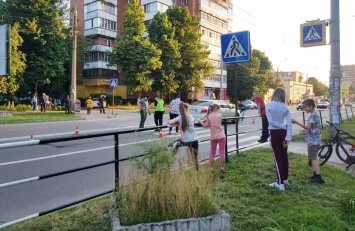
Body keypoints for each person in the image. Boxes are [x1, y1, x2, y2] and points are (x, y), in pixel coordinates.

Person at [291, 99, 325, 184]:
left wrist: (296, 122)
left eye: (305, 107)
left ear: (310, 106)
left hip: (313, 141)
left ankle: (318, 177)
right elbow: (312, 128)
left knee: (313, 159)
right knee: (312, 158)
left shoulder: (312, 116)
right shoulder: (315, 114)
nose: (304, 109)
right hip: (314, 140)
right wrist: (306, 132)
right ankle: (315, 175)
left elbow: (308, 127)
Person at [265, 88, 292, 191]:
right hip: (283, 133)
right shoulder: (285, 107)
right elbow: (289, 123)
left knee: (277, 158)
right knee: (284, 156)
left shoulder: (269, 105)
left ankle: (280, 183)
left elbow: (270, 121)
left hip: (274, 132)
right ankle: (285, 179)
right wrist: (288, 137)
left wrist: (280, 125)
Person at [196, 104, 226, 178]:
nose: (220, 110)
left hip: (213, 137)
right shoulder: (220, 115)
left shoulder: (208, 116)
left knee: (212, 153)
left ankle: (210, 169)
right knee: (222, 152)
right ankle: (222, 169)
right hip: (221, 136)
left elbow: (205, 125)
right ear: (216, 109)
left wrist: (199, 120)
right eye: (219, 109)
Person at [168, 102, 199, 171]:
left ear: (180, 110)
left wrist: (177, 122)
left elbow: (170, 122)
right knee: (195, 158)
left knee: (174, 144)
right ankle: (196, 172)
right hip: (194, 140)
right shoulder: (191, 116)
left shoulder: (180, 117)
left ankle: (171, 156)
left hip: (185, 141)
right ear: (187, 110)